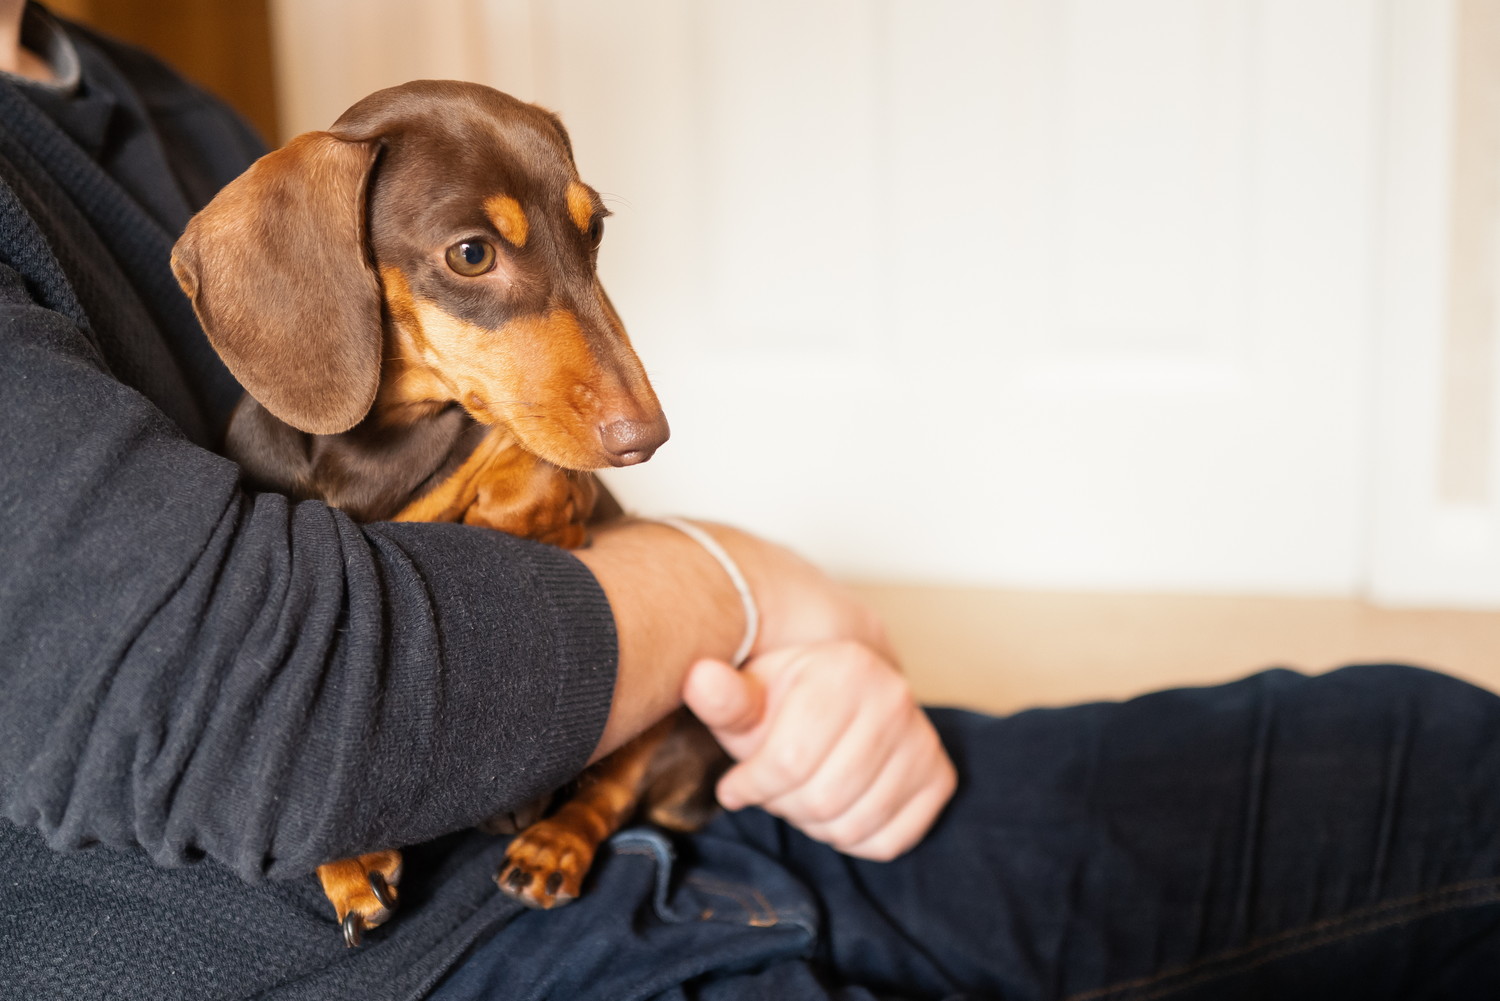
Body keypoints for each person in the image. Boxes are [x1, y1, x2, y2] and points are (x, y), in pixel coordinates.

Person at [0, 4, 1495, 998]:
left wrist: (755, 646)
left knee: (1436, 758)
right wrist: (741, 584)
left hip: (666, 798)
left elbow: (463, 506)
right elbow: (260, 707)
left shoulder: (148, 100)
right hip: (401, 963)